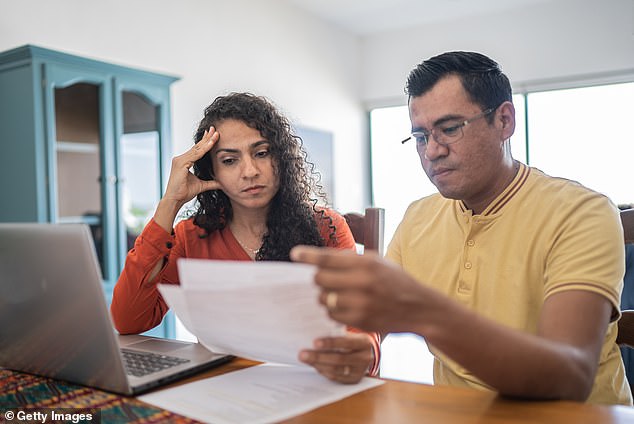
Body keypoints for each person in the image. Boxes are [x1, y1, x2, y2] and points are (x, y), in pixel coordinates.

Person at [291, 52, 632, 404]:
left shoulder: (581, 212)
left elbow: (568, 377)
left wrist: (425, 311)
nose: (433, 151)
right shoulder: (418, 218)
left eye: (450, 129)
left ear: (504, 120)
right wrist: (361, 346)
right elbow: (376, 320)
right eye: (421, 136)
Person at [110, 92, 380, 383]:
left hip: (309, 385)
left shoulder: (326, 227)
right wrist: (169, 203)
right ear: (211, 171)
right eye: (229, 160)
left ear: (281, 158)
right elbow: (129, 320)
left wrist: (359, 351)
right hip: (223, 388)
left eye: (262, 153)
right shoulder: (192, 236)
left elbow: (362, 334)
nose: (250, 171)